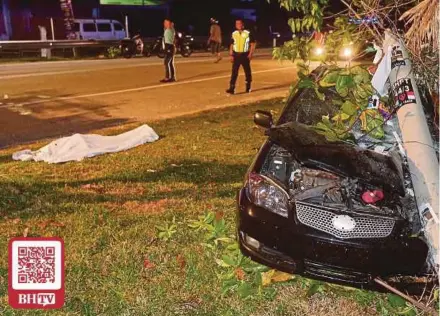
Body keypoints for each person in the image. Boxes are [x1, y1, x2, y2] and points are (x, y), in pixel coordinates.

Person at [226, 19, 256, 94]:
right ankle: (232, 88)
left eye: (239, 23)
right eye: (236, 23)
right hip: (236, 55)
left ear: (243, 24)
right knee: (234, 72)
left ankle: (248, 87)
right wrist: (231, 54)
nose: (238, 25)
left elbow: (252, 44)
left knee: (247, 71)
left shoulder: (248, 33)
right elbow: (232, 44)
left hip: (245, 55)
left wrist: (250, 54)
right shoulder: (234, 33)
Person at [160, 18, 176, 83]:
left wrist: (170, 24)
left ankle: (167, 77)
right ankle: (172, 77)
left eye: (165, 23)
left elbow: (171, 27)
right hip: (168, 46)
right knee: (170, 63)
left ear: (169, 23)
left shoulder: (171, 29)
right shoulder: (166, 30)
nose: (164, 24)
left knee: (166, 62)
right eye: (164, 23)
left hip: (170, 46)